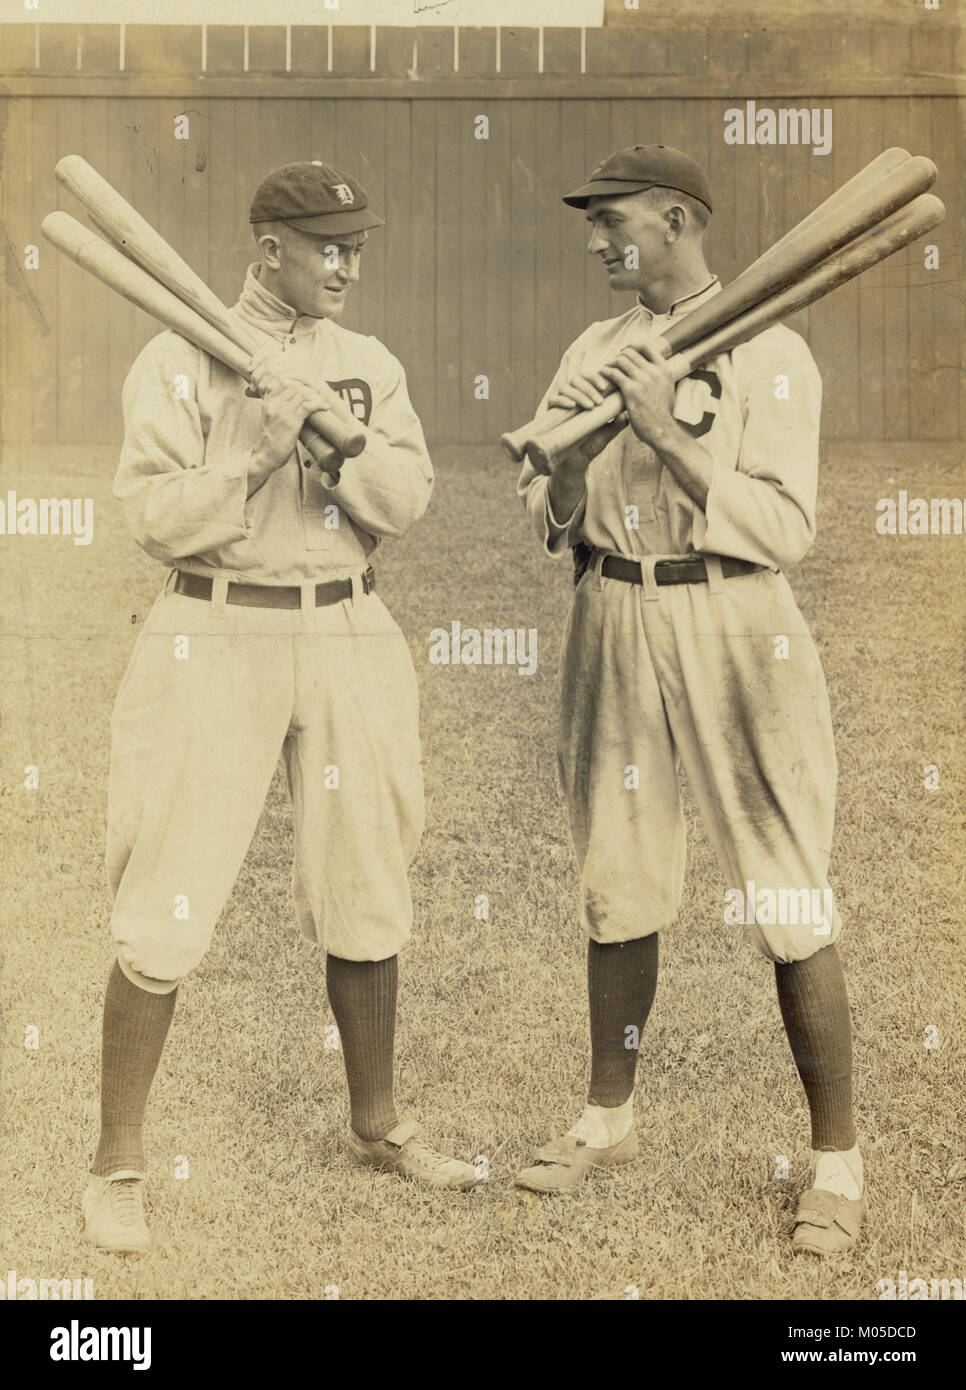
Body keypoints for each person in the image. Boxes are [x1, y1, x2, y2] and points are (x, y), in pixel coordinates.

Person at [84, 160, 479, 1255]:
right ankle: (117, 1160)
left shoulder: (368, 365)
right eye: (325, 246)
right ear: (269, 248)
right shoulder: (176, 355)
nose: (347, 264)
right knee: (169, 885)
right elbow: (154, 517)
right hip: (214, 623)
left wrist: (337, 445)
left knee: (367, 872)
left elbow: (407, 500)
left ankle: (379, 1121)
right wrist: (253, 459)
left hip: (349, 621)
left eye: (356, 245)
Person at [514, 145, 863, 1255]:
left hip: (735, 620)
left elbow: (787, 527)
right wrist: (572, 465)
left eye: (609, 217)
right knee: (617, 874)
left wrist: (661, 429)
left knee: (786, 888)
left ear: (674, 219)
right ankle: (606, 1117)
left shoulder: (774, 349)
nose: (593, 238)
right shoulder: (593, 347)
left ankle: (837, 1165)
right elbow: (549, 509)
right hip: (613, 610)